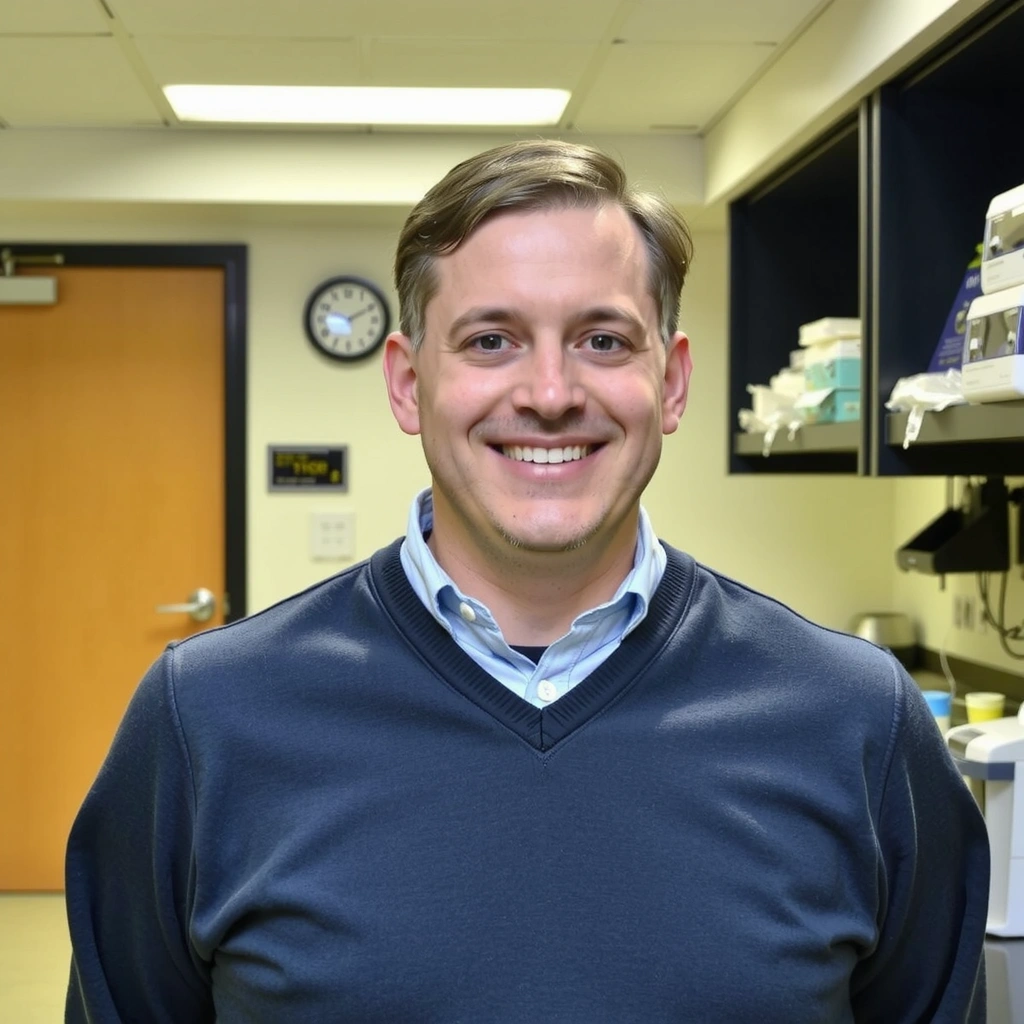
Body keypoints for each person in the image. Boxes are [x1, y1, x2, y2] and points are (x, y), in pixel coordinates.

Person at [65, 139, 989, 1023]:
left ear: (669, 384)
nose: (550, 392)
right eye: (492, 340)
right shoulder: (207, 720)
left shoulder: (855, 721)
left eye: (601, 339)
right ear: (406, 383)